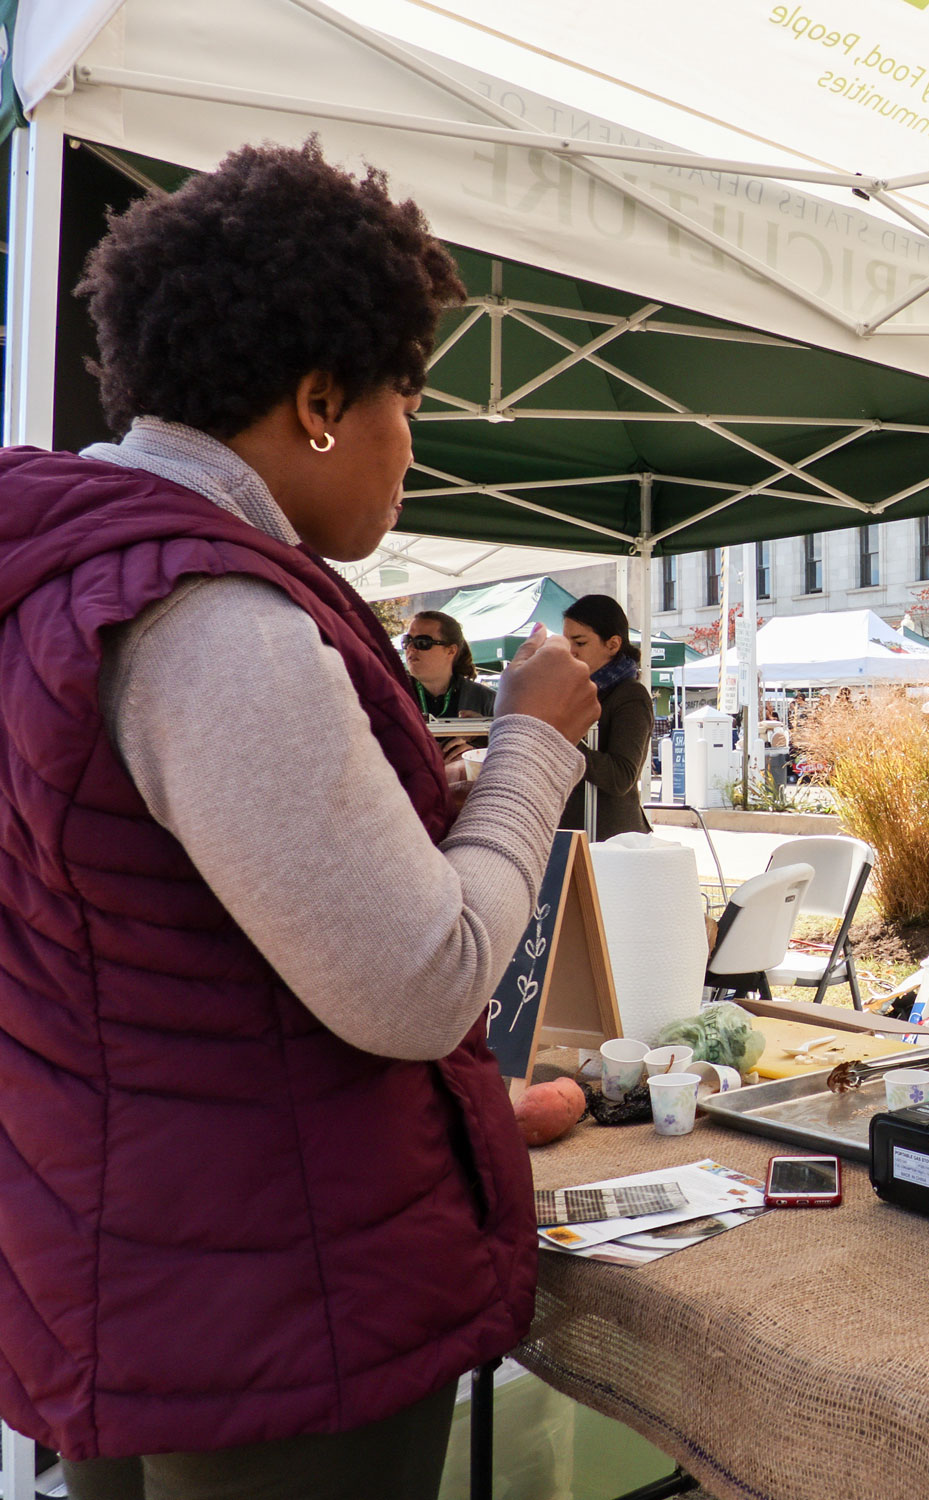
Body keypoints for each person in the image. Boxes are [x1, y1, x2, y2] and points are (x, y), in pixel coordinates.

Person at [0, 141, 601, 1498]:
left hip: (134, 1249)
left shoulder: (61, 579)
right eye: (408, 397)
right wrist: (532, 751)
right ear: (321, 399)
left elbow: (154, 893)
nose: (412, 443)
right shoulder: (214, 617)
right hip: (282, 1293)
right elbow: (418, 981)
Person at [558, 593, 655, 838]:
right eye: (566, 642)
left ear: (612, 644)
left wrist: (561, 737)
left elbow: (621, 777)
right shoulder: (570, 691)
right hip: (569, 834)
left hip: (610, 842)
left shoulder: (631, 695)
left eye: (579, 643)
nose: (570, 651)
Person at [403, 607, 497, 720]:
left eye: (422, 642)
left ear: (451, 650)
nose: (411, 648)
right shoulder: (391, 696)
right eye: (407, 640)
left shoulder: (486, 700)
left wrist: (482, 735)